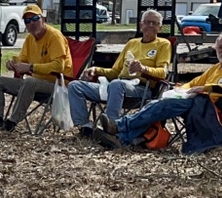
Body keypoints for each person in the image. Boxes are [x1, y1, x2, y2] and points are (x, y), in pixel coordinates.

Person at [96, 31, 222, 152]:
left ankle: (119, 127)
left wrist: (206, 88)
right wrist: (179, 90)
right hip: (200, 102)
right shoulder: (215, 68)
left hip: (217, 107)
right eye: (221, 47)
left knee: (162, 106)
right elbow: (193, 83)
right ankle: (122, 138)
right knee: (159, 104)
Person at [67, 8, 172, 137]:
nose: (150, 25)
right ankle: (84, 127)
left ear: (160, 28)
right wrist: (95, 70)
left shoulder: (163, 44)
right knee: (75, 86)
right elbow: (115, 72)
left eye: (155, 23)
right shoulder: (132, 43)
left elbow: (163, 73)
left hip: (141, 89)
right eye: (147, 22)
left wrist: (143, 69)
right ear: (141, 25)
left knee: (116, 84)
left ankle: (112, 126)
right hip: (116, 86)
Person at [0, 3, 72, 133]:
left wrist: (31, 67)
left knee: (29, 82)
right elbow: (22, 60)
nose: (31, 23)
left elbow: (59, 66)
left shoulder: (54, 37)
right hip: (33, 84)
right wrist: (12, 64)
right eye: (27, 21)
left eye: (35, 18)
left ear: (43, 19)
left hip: (57, 85)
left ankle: (11, 122)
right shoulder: (30, 38)